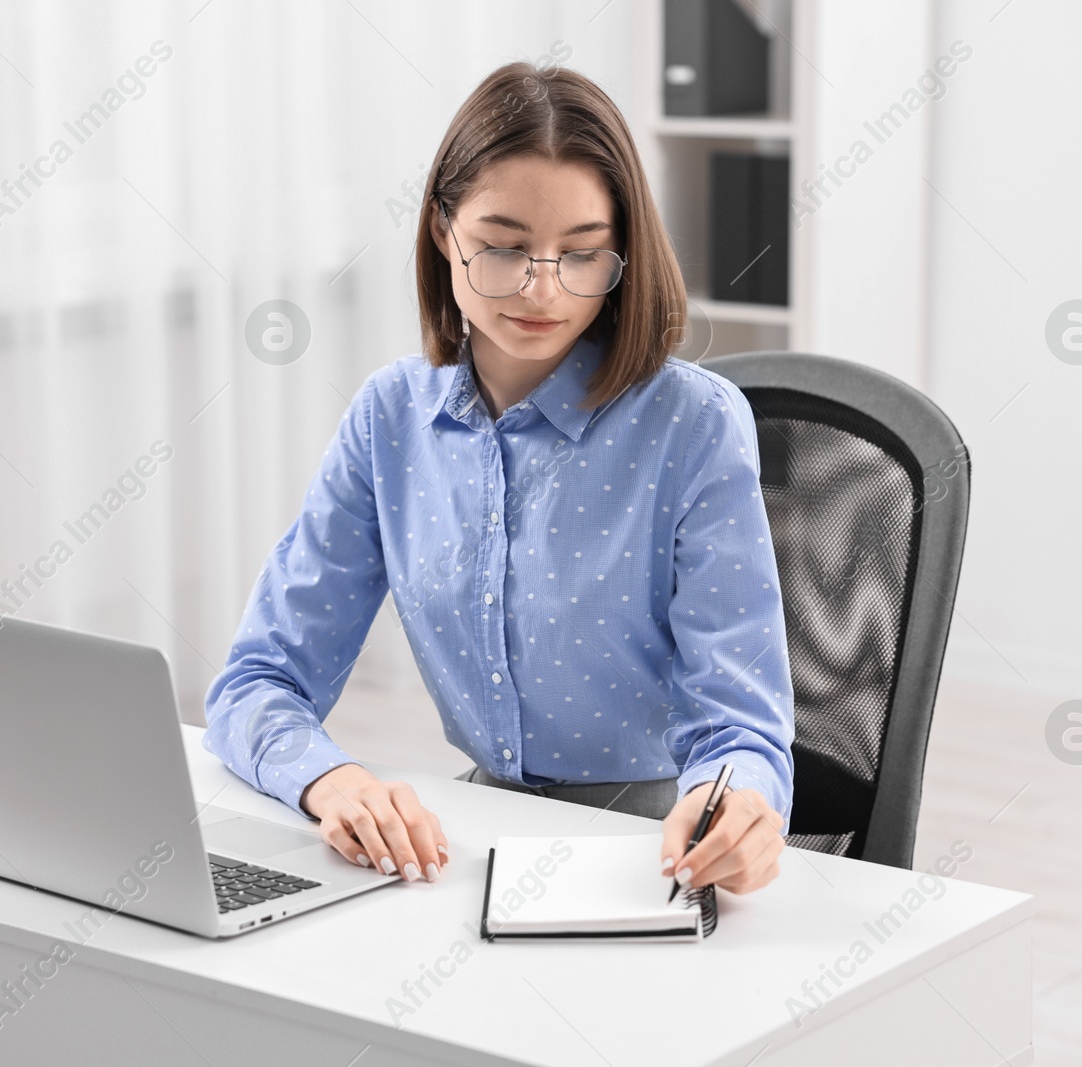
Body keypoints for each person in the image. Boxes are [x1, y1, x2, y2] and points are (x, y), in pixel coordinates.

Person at [204, 59, 793, 897]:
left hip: (653, 853)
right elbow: (259, 680)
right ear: (444, 230)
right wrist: (327, 779)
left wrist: (734, 804)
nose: (541, 289)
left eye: (583, 254)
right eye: (503, 248)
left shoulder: (694, 426)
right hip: (479, 839)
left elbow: (743, 728)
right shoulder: (390, 419)